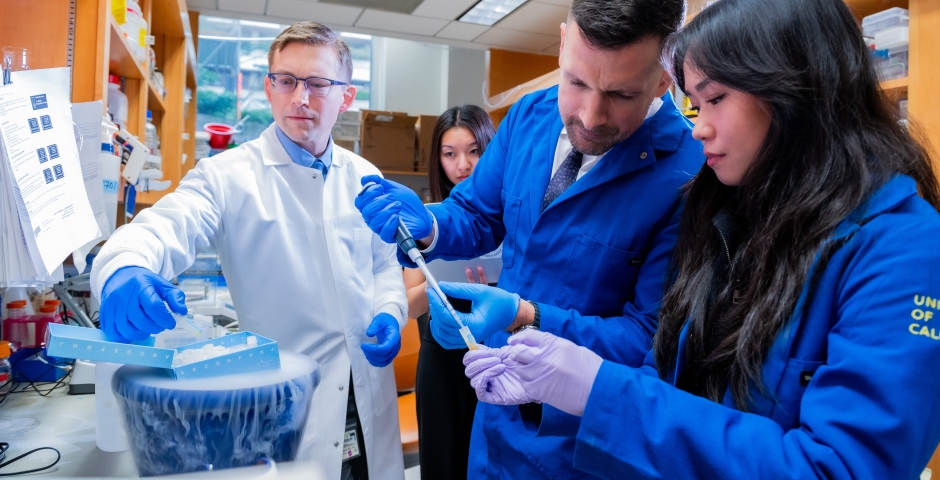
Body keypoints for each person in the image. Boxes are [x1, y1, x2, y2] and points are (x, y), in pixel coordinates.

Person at [462, 0, 940, 478]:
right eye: (694, 104)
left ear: (797, 90)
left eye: (714, 100)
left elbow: (841, 468)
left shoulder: (906, 252)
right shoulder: (734, 213)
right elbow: (671, 384)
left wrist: (599, 391)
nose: (699, 128)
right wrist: (559, 395)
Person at [355, 0, 702, 477]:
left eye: (621, 94)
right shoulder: (529, 116)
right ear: (563, 44)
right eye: (576, 81)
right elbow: (477, 213)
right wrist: (431, 224)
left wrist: (527, 317)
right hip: (495, 413)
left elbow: (649, 341)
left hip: (580, 443)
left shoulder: (688, 174)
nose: (590, 115)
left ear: (666, 76)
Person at [90, 22, 407, 480]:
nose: (300, 97)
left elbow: (384, 268)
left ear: (347, 96)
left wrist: (392, 312)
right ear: (269, 87)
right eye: (286, 81)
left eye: (318, 84)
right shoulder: (227, 176)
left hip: (370, 392)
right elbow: (167, 223)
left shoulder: (366, 175)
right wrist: (123, 267)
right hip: (290, 402)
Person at [400, 105, 495, 480]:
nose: (463, 165)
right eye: (450, 153)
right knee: (443, 466)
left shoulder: (506, 219)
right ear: (437, 159)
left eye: (474, 151)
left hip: (494, 358)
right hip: (440, 362)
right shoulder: (424, 220)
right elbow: (408, 305)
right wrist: (441, 282)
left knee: (490, 463)